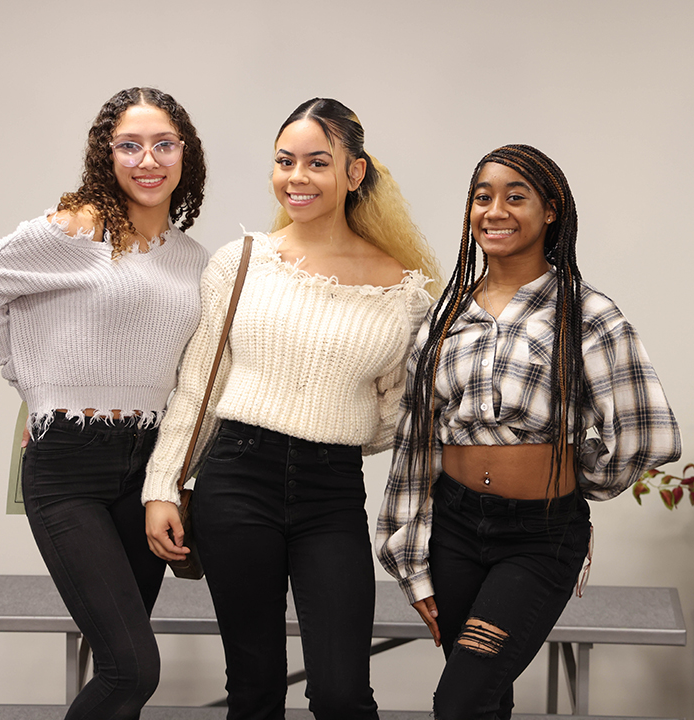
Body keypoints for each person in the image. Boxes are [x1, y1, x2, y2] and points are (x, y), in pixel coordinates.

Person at [142, 98, 440, 720]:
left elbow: (393, 412)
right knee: (254, 690)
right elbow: (198, 386)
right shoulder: (242, 262)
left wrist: (333, 418)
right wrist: (162, 486)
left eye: (316, 162)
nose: (296, 177)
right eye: (284, 161)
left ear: (355, 173)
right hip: (237, 479)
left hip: (330, 491)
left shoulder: (402, 289)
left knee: (342, 694)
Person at [376, 145, 681, 720]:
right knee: (487, 700)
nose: (495, 210)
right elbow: (417, 442)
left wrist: (567, 477)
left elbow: (644, 433)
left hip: (538, 537)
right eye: (483, 197)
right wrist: (410, 562)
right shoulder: (446, 317)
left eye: (516, 197)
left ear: (551, 211)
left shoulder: (586, 313)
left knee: (459, 702)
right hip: (455, 529)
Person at [0, 87, 208, 720]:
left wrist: (168, 483)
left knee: (120, 659)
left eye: (163, 144)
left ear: (186, 155)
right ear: (107, 155)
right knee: (133, 669)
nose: (148, 160)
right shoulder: (76, 230)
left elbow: (189, 377)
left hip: (146, 469)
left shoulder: (196, 261)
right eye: (130, 145)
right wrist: (28, 381)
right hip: (68, 465)